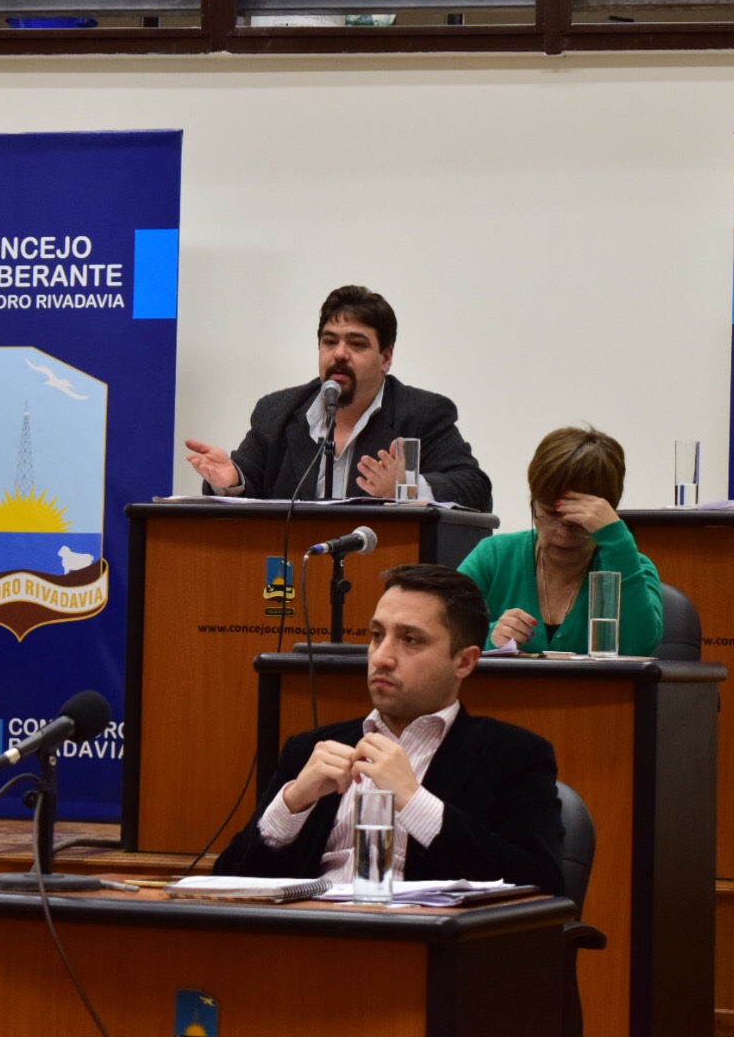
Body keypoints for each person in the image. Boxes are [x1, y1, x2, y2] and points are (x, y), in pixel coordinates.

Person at [213, 563, 565, 895]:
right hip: (310, 931)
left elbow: (543, 886)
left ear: (464, 661)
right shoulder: (309, 749)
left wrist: (414, 801)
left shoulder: (513, 756)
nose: (381, 657)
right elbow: (227, 889)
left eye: (410, 639)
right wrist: (291, 805)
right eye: (377, 635)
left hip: (422, 934)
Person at [183, 285, 493, 511]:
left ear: (386, 358)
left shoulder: (422, 414)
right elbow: (248, 486)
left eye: (357, 344)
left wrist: (406, 489)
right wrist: (231, 481)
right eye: (329, 342)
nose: (340, 354)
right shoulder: (277, 412)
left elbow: (476, 489)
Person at [458, 426, 663, 656]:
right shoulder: (494, 556)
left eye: (578, 523)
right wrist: (489, 637)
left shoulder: (633, 566)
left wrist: (617, 538)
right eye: (550, 516)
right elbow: (441, 632)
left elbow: (640, 647)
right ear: (534, 503)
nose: (563, 536)